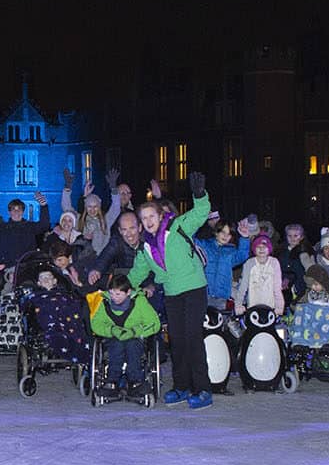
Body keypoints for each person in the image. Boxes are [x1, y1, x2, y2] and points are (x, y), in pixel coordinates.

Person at [128, 171, 214, 409]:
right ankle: (182, 386)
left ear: (160, 214)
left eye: (150, 215)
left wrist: (199, 195)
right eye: (143, 218)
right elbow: (137, 273)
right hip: (173, 293)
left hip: (194, 287)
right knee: (176, 340)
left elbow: (200, 213)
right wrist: (121, 289)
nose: (147, 221)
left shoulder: (177, 226)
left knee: (193, 338)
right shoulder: (146, 245)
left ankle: (203, 389)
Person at [89, 273, 160, 399]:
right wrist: (112, 330)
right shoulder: (105, 303)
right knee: (117, 345)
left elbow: (154, 323)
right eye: (111, 293)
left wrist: (135, 331)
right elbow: (96, 324)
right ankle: (112, 380)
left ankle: (135, 381)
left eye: (118, 294)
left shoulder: (139, 302)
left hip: (135, 337)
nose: (114, 297)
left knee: (132, 345)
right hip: (113, 337)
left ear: (128, 292)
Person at [0, 192, 51, 265]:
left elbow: (44, 225)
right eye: (13, 209)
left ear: (23, 212)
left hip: (27, 266)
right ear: (9, 212)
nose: (16, 211)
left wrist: (44, 206)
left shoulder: (30, 227)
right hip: (7, 267)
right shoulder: (3, 228)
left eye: (19, 209)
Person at [195, 219, 252, 310]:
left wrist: (244, 237)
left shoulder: (231, 251)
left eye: (229, 234)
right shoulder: (204, 245)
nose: (226, 236)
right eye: (223, 232)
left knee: (221, 321)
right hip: (203, 294)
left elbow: (242, 255)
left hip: (222, 296)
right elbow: (190, 239)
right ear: (216, 232)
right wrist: (197, 221)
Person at [234, 233, 284, 315]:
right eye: (258, 247)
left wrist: (279, 307)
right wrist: (238, 305)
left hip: (270, 307)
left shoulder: (274, 263)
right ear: (254, 249)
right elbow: (243, 286)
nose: (261, 249)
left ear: (269, 248)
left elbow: (277, 287)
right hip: (252, 307)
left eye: (264, 247)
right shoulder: (249, 263)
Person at [279, 224, 315, 306]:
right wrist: (284, 278)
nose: (292, 238)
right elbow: (280, 268)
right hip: (285, 287)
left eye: (295, 236)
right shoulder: (281, 252)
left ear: (301, 237)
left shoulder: (306, 251)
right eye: (290, 236)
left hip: (301, 285)